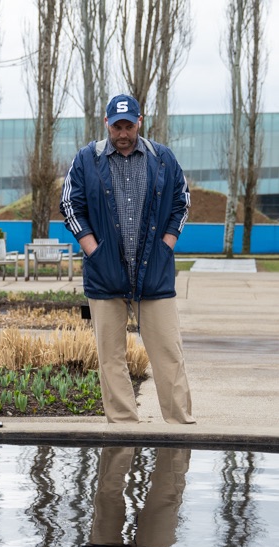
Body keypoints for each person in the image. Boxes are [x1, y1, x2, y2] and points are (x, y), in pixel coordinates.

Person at [60, 94, 196, 425]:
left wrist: (167, 244)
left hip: (155, 274)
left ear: (139, 122)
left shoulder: (162, 158)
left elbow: (182, 201)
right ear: (106, 123)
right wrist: (94, 250)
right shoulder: (86, 160)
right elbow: (70, 206)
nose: (123, 133)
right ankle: (122, 425)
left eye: (129, 126)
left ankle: (180, 425)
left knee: (168, 353)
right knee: (111, 357)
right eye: (117, 126)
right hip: (105, 274)